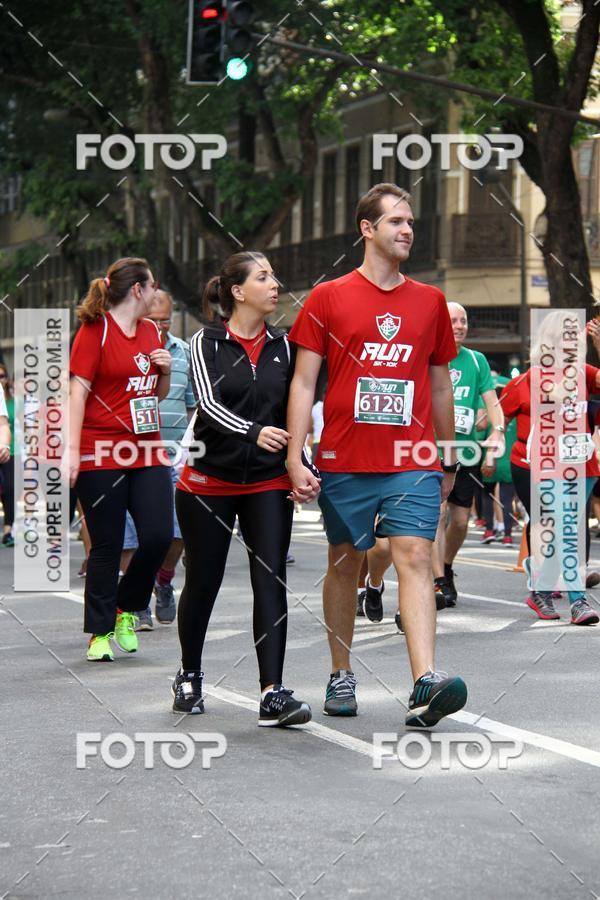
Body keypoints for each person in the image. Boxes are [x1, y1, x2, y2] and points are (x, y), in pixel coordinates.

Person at [287, 182, 467, 728]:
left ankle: (425, 681)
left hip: (412, 458)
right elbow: (302, 383)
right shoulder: (327, 298)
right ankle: (342, 672)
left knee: (414, 555)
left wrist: (449, 455)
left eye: (410, 221)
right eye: (395, 221)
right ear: (367, 229)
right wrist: (296, 457)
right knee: (345, 562)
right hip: (344, 457)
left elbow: (439, 387)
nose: (407, 229)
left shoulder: (430, 301)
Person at [172, 250, 312, 727]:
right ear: (237, 291)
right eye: (264, 277)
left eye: (274, 275)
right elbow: (208, 405)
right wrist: (253, 432)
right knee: (204, 582)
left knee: (271, 580)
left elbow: (297, 412)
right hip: (207, 483)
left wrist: (302, 464)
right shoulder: (205, 342)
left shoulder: (286, 346)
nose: (275, 284)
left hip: (268, 483)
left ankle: (273, 692)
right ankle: (189, 673)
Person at [69, 257, 174, 661]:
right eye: (152, 287)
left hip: (146, 449)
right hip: (101, 451)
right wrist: (72, 452)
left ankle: (125, 607)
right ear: (137, 290)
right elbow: (77, 393)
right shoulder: (94, 331)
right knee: (107, 545)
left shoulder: (151, 331)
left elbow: (155, 395)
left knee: (158, 536)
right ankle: (99, 634)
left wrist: (163, 372)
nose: (156, 294)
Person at [499, 312, 600, 624]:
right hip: (536, 465)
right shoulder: (535, 376)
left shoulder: (583, 370)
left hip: (579, 463)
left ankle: (541, 588)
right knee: (563, 527)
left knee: (565, 528)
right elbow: (555, 396)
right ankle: (578, 601)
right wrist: (494, 439)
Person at [118, 289, 197, 630]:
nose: (161, 328)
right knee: (131, 536)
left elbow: (194, 404)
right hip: (128, 453)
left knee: (175, 533)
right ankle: (137, 602)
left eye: (166, 320)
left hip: (175, 455)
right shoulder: (123, 347)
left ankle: (163, 581)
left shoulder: (184, 353)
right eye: (154, 321)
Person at [432, 303, 504, 607]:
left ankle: (446, 567)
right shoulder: (430, 357)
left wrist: (497, 431)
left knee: (460, 522)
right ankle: (437, 582)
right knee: (440, 513)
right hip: (432, 450)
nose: (460, 325)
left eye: (464, 321)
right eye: (453, 321)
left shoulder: (476, 361)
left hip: (467, 451)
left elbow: (491, 401)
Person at [0, 366, 15, 545]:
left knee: (10, 489)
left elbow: (4, 425)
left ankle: (8, 529)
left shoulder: (12, 400)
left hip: (13, 451)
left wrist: (4, 444)